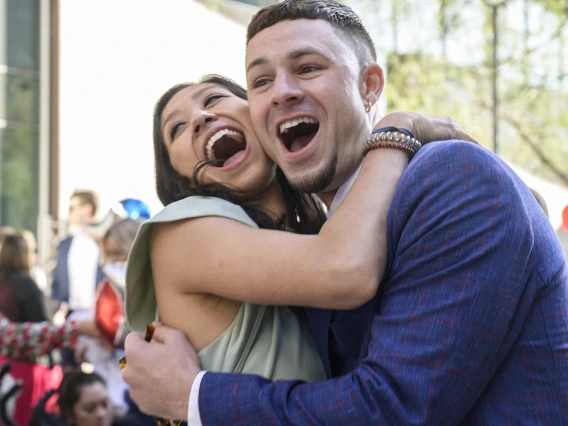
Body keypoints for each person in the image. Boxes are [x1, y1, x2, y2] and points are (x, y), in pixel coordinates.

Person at [123, 0, 568, 424]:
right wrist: (395, 131)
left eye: (308, 68)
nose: (281, 91)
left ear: (370, 86)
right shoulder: (197, 231)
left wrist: (190, 395)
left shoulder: (439, 182)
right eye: (261, 81)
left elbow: (391, 408)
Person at [0, 232, 61, 425]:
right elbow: (45, 328)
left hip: (5, 365)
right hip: (28, 368)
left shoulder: (4, 283)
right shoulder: (25, 284)